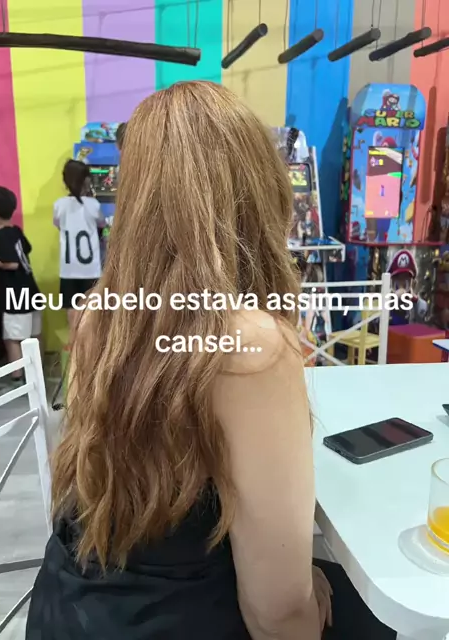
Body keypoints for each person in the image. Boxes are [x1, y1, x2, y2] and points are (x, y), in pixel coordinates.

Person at [26, 82, 396, 640]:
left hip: (69, 608)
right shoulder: (250, 347)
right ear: (256, 189)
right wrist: (305, 594)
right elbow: (277, 616)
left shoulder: (99, 316)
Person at [0, 186, 41, 397]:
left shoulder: (3, 234)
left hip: (16, 295)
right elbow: (25, 250)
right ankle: (35, 376)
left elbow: (12, 263)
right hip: (30, 290)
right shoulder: (15, 231)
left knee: (13, 338)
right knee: (33, 335)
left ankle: (17, 380)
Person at [54, 159, 106, 338]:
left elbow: (58, 225)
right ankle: (90, 344)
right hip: (90, 269)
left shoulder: (59, 205)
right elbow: (102, 225)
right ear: (85, 182)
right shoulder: (93, 205)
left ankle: (75, 343)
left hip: (68, 269)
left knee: (71, 308)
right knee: (91, 310)